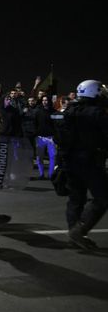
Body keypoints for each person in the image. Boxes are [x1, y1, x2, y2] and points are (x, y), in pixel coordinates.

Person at [56, 80, 108, 250]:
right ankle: (79, 231)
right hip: (89, 161)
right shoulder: (97, 112)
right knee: (102, 197)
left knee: (76, 198)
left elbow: (60, 137)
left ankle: (75, 235)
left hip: (70, 161)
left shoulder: (69, 110)